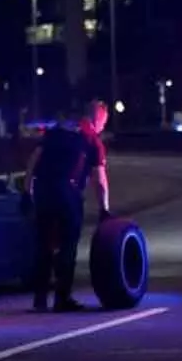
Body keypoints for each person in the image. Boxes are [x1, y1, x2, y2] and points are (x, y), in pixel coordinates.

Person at [22, 100, 111, 312]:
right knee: (67, 247)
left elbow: (32, 163)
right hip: (67, 194)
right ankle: (62, 299)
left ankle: (40, 298)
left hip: (43, 192)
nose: (103, 127)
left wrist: (27, 192)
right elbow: (100, 180)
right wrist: (104, 209)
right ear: (98, 119)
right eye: (103, 123)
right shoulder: (92, 140)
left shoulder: (55, 132)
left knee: (43, 245)